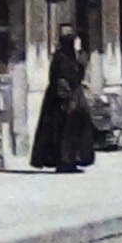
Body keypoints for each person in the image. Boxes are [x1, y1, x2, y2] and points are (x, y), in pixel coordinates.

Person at [31, 29, 96, 173]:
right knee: (62, 133)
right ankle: (64, 162)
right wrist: (67, 98)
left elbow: (78, 75)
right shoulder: (60, 58)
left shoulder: (73, 58)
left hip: (75, 96)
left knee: (76, 131)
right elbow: (60, 79)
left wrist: (82, 61)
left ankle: (73, 161)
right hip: (61, 101)